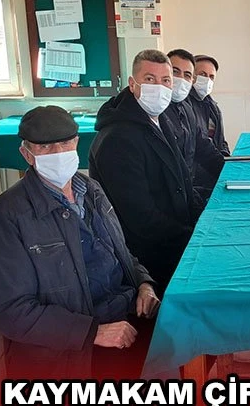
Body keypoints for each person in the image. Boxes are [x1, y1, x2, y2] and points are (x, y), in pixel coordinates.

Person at [0, 106, 160, 379]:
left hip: (126, 316)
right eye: (45, 147)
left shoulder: (91, 190)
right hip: (74, 349)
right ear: (27, 154)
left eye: (65, 143)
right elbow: (12, 311)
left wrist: (143, 284)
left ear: (77, 143)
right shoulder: (10, 215)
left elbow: (120, 252)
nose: (58, 153)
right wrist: (93, 333)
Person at [90, 49, 199, 293]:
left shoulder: (159, 120)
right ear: (132, 84)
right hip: (147, 258)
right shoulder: (117, 139)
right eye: (150, 79)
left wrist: (202, 218)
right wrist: (191, 235)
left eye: (165, 80)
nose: (159, 87)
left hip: (173, 237)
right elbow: (140, 218)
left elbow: (182, 180)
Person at [163, 48, 224, 197]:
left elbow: (205, 146)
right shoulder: (157, 111)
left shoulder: (188, 108)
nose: (181, 79)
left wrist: (228, 169)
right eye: (175, 72)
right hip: (175, 191)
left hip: (187, 188)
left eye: (187, 75)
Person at [189, 54, 230, 156]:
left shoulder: (213, 106)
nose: (207, 80)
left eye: (211, 77)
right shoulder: (185, 105)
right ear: (191, 76)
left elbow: (221, 140)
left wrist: (227, 157)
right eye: (202, 74)